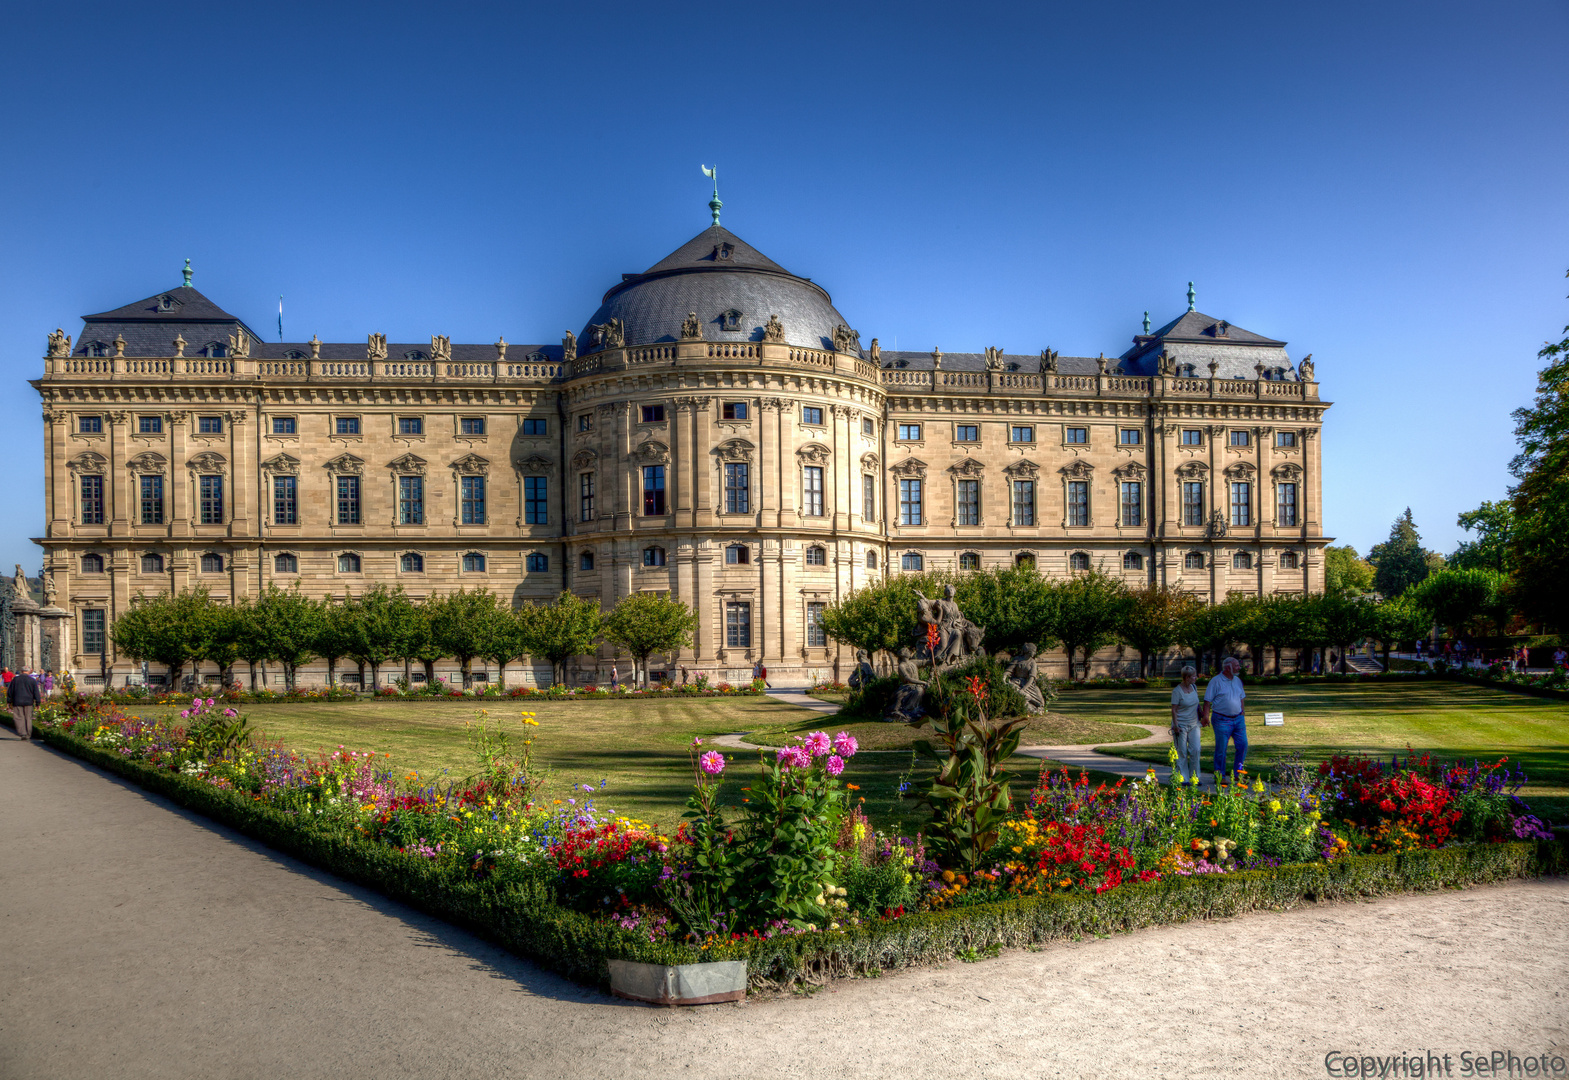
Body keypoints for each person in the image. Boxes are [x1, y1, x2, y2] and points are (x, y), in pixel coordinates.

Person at [1202, 657, 1248, 783]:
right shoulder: (1215, 681)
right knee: (1221, 749)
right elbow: (1207, 701)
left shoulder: (1237, 680)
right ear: (1228, 667)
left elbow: (1241, 697)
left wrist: (1242, 712)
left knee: (1243, 745)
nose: (1239, 667)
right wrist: (1206, 716)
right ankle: (1220, 775)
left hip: (1238, 719)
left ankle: (1238, 774)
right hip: (1222, 719)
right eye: (1237, 665)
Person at [1169, 665, 1205, 784]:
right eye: (1194, 676)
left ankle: (1195, 777)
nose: (1196, 677)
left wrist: (1204, 717)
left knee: (1196, 749)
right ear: (1187, 677)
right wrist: (1176, 725)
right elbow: (1174, 710)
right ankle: (1183, 778)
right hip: (1181, 725)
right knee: (1182, 752)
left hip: (1194, 724)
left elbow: (1197, 705)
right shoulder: (1177, 691)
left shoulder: (1194, 687)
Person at [6, 667, 42, 740]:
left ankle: (22, 733)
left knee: (19, 717)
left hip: (17, 701)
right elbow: (36, 692)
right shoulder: (32, 680)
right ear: (29, 672)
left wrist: (8, 702)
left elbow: (10, 691)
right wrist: (38, 703)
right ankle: (28, 734)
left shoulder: (15, 680)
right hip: (29, 702)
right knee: (28, 718)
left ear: (22, 671)